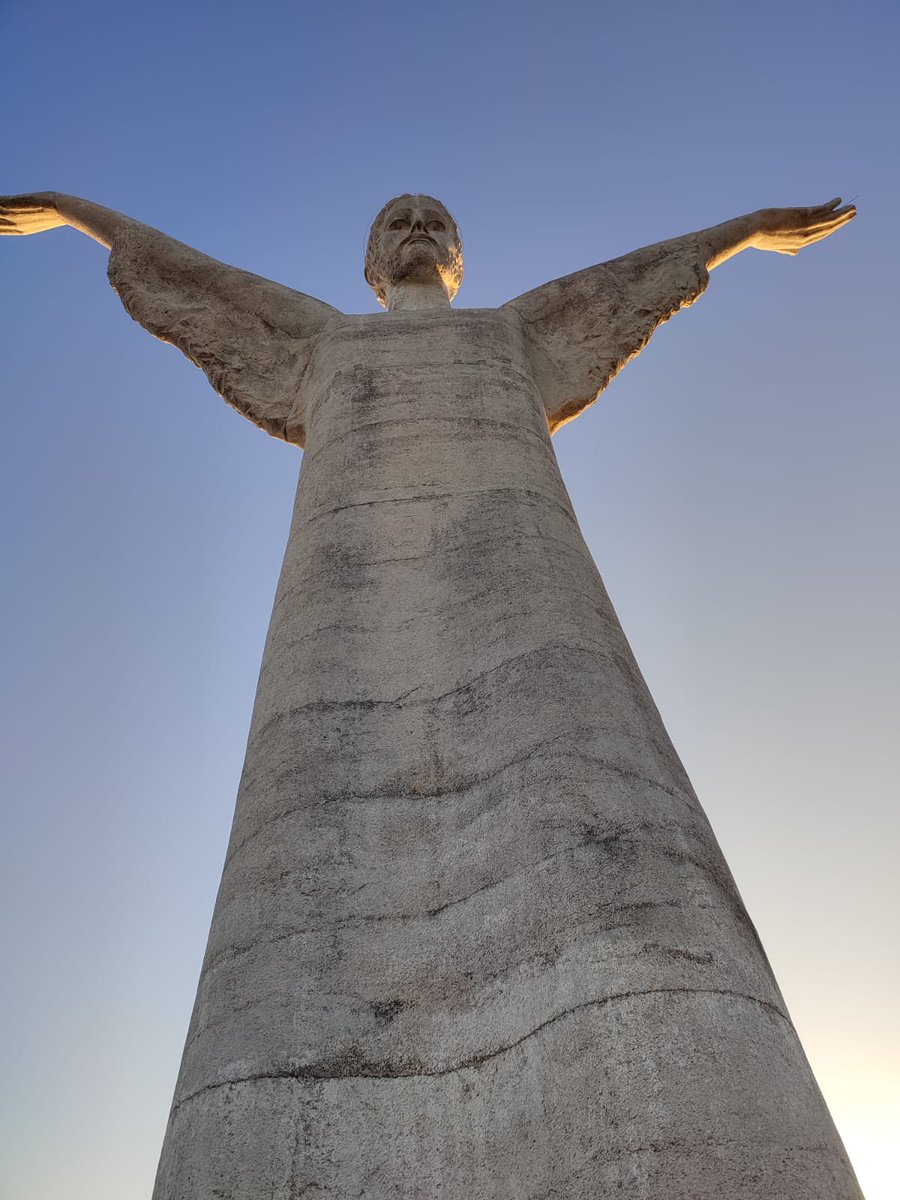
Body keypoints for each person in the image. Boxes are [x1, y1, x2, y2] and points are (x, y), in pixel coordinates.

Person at [1, 190, 861, 1199]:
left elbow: (621, 283)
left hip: (530, 590)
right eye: (397, 221)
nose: (417, 228)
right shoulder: (323, 341)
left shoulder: (513, 333)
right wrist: (75, 214)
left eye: (436, 222)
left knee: (614, 847)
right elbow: (202, 281)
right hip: (340, 609)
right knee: (305, 882)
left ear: (458, 258)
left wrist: (743, 231)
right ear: (371, 264)